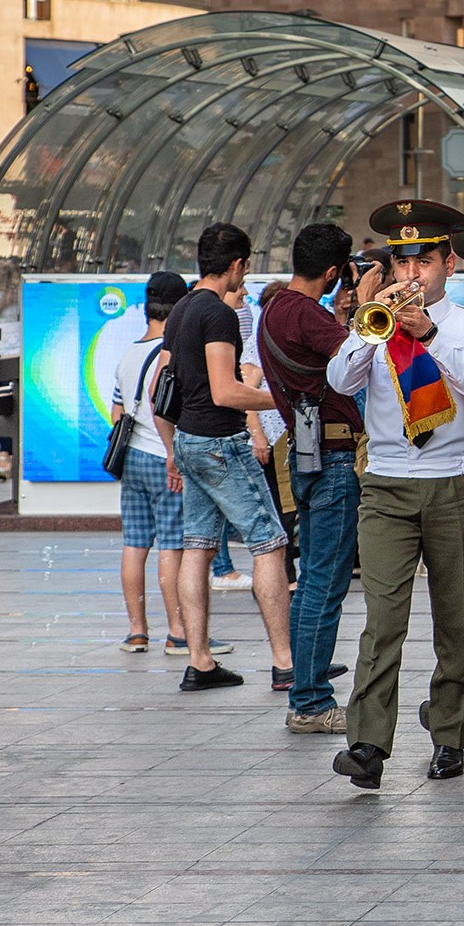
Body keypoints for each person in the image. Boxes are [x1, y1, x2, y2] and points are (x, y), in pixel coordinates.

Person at [328, 201, 464, 788]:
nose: (411, 275)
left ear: (448, 265)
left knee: (457, 618)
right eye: (402, 263)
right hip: (387, 485)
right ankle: (367, 743)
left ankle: (451, 734)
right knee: (383, 620)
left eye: (423, 262)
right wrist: (366, 327)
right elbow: (339, 380)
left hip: (455, 482)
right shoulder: (376, 325)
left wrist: (429, 334)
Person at [158, 223, 292, 695]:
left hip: (189, 440)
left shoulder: (181, 309)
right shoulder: (218, 313)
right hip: (220, 441)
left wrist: (173, 448)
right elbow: (225, 391)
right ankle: (286, 663)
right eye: (246, 267)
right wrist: (282, 399)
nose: (245, 275)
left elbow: (160, 388)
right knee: (270, 544)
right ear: (236, 264)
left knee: (197, 546)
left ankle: (200, 661)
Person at [255, 223, 363, 734]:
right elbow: (359, 356)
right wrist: (366, 300)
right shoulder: (306, 313)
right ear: (334, 271)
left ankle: (305, 692)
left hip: (305, 454)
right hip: (333, 456)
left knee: (312, 582)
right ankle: (312, 701)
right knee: (325, 582)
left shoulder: (274, 308)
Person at [110, 272, 191, 654]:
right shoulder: (171, 353)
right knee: (171, 545)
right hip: (164, 457)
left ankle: (137, 631)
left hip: (132, 459)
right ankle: (178, 630)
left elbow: (116, 412)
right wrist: (174, 453)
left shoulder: (128, 354)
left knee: (135, 543)